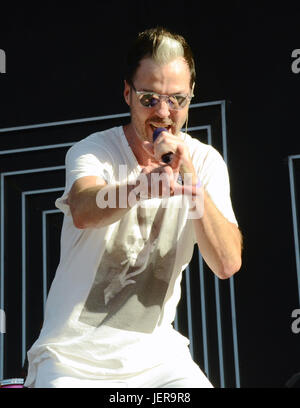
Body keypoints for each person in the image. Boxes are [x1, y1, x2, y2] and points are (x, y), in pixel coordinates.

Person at [24, 27, 242, 388]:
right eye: (149, 98)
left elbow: (226, 263)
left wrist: (190, 182)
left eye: (177, 100)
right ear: (128, 93)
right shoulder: (93, 151)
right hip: (74, 361)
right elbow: (83, 208)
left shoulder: (205, 162)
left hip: (159, 360)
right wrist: (139, 187)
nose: (163, 113)